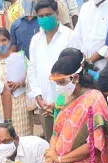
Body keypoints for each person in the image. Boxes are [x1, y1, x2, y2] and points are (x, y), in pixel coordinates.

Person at [27, 0, 74, 141]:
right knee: (50, 142)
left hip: (67, 103)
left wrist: (59, 102)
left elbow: (75, 70)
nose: (44, 18)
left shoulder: (69, 36)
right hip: (45, 106)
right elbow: (32, 69)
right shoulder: (36, 40)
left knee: (68, 141)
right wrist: (38, 97)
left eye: (48, 15)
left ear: (57, 13)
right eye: (41, 16)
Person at [0, 28, 33, 136]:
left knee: (22, 136)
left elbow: (32, 77)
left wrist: (21, 83)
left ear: (9, 41)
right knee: (3, 136)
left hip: (20, 104)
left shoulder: (19, 57)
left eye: (4, 40)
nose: (1, 44)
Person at [72, 0, 108, 71]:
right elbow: (77, 36)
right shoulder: (85, 7)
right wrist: (82, 58)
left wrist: (90, 60)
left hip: (104, 66)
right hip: (83, 65)